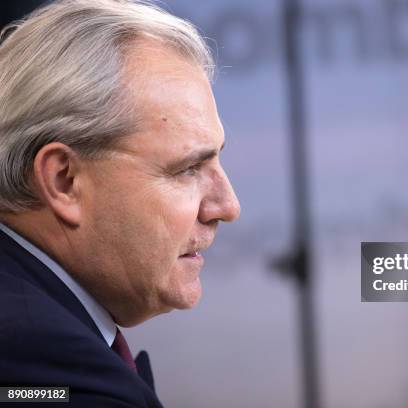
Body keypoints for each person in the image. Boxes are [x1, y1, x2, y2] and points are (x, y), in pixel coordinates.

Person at [0, 0, 240, 406]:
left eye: (216, 158)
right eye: (187, 169)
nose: (226, 206)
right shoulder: (50, 366)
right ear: (64, 181)